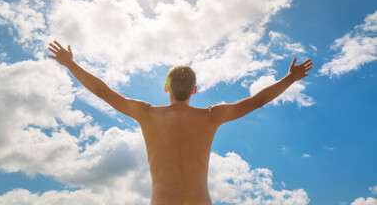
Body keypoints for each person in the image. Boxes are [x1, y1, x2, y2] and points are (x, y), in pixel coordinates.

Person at [48, 40, 313, 205]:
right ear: (195, 90)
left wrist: (70, 64)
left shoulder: (147, 115)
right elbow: (256, 101)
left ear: (166, 87)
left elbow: (103, 92)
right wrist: (289, 79)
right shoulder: (210, 117)